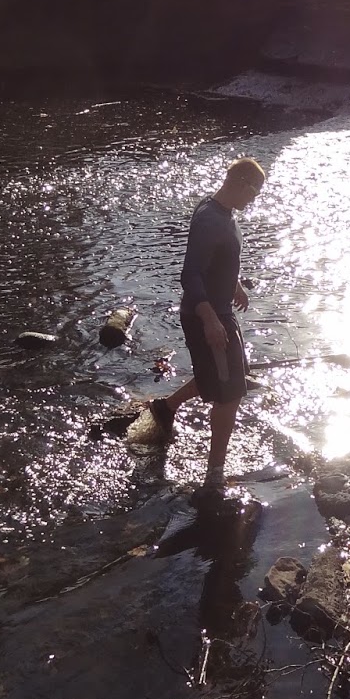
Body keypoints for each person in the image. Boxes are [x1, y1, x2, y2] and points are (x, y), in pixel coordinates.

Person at [147, 157, 266, 489]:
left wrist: (235, 284)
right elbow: (191, 274)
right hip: (207, 316)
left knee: (227, 375)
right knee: (230, 394)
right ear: (240, 183)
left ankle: (165, 408)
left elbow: (220, 260)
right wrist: (211, 320)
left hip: (221, 310)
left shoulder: (220, 212)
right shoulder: (210, 221)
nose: (254, 199)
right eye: (254, 192)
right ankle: (214, 474)